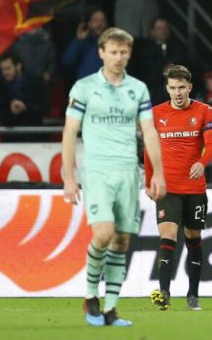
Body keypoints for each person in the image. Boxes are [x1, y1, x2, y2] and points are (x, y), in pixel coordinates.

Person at [62, 27, 166, 327]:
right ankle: (90, 296)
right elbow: (70, 132)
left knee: (121, 241)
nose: (118, 57)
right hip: (96, 170)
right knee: (104, 233)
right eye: (113, 51)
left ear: (129, 54)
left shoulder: (139, 89)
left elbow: (148, 131)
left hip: (128, 171)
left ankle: (111, 310)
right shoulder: (83, 87)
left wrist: (157, 172)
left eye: (124, 52)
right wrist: (69, 177)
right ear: (101, 52)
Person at [145, 65, 212, 312]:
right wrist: (149, 181)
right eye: (173, 88)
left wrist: (202, 162)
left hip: (195, 188)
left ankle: (193, 294)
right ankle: (164, 292)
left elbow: (211, 146)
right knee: (167, 235)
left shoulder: (204, 111)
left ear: (190, 87)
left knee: (193, 239)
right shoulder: (155, 114)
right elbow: (148, 150)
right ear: (167, 88)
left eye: (181, 87)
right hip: (167, 187)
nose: (177, 92)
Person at [0, 51, 49, 131]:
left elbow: (45, 107)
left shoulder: (35, 81)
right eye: (3, 70)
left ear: (18, 66)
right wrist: (11, 111)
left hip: (34, 133)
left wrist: (26, 107)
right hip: (11, 135)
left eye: (8, 68)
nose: (5, 72)